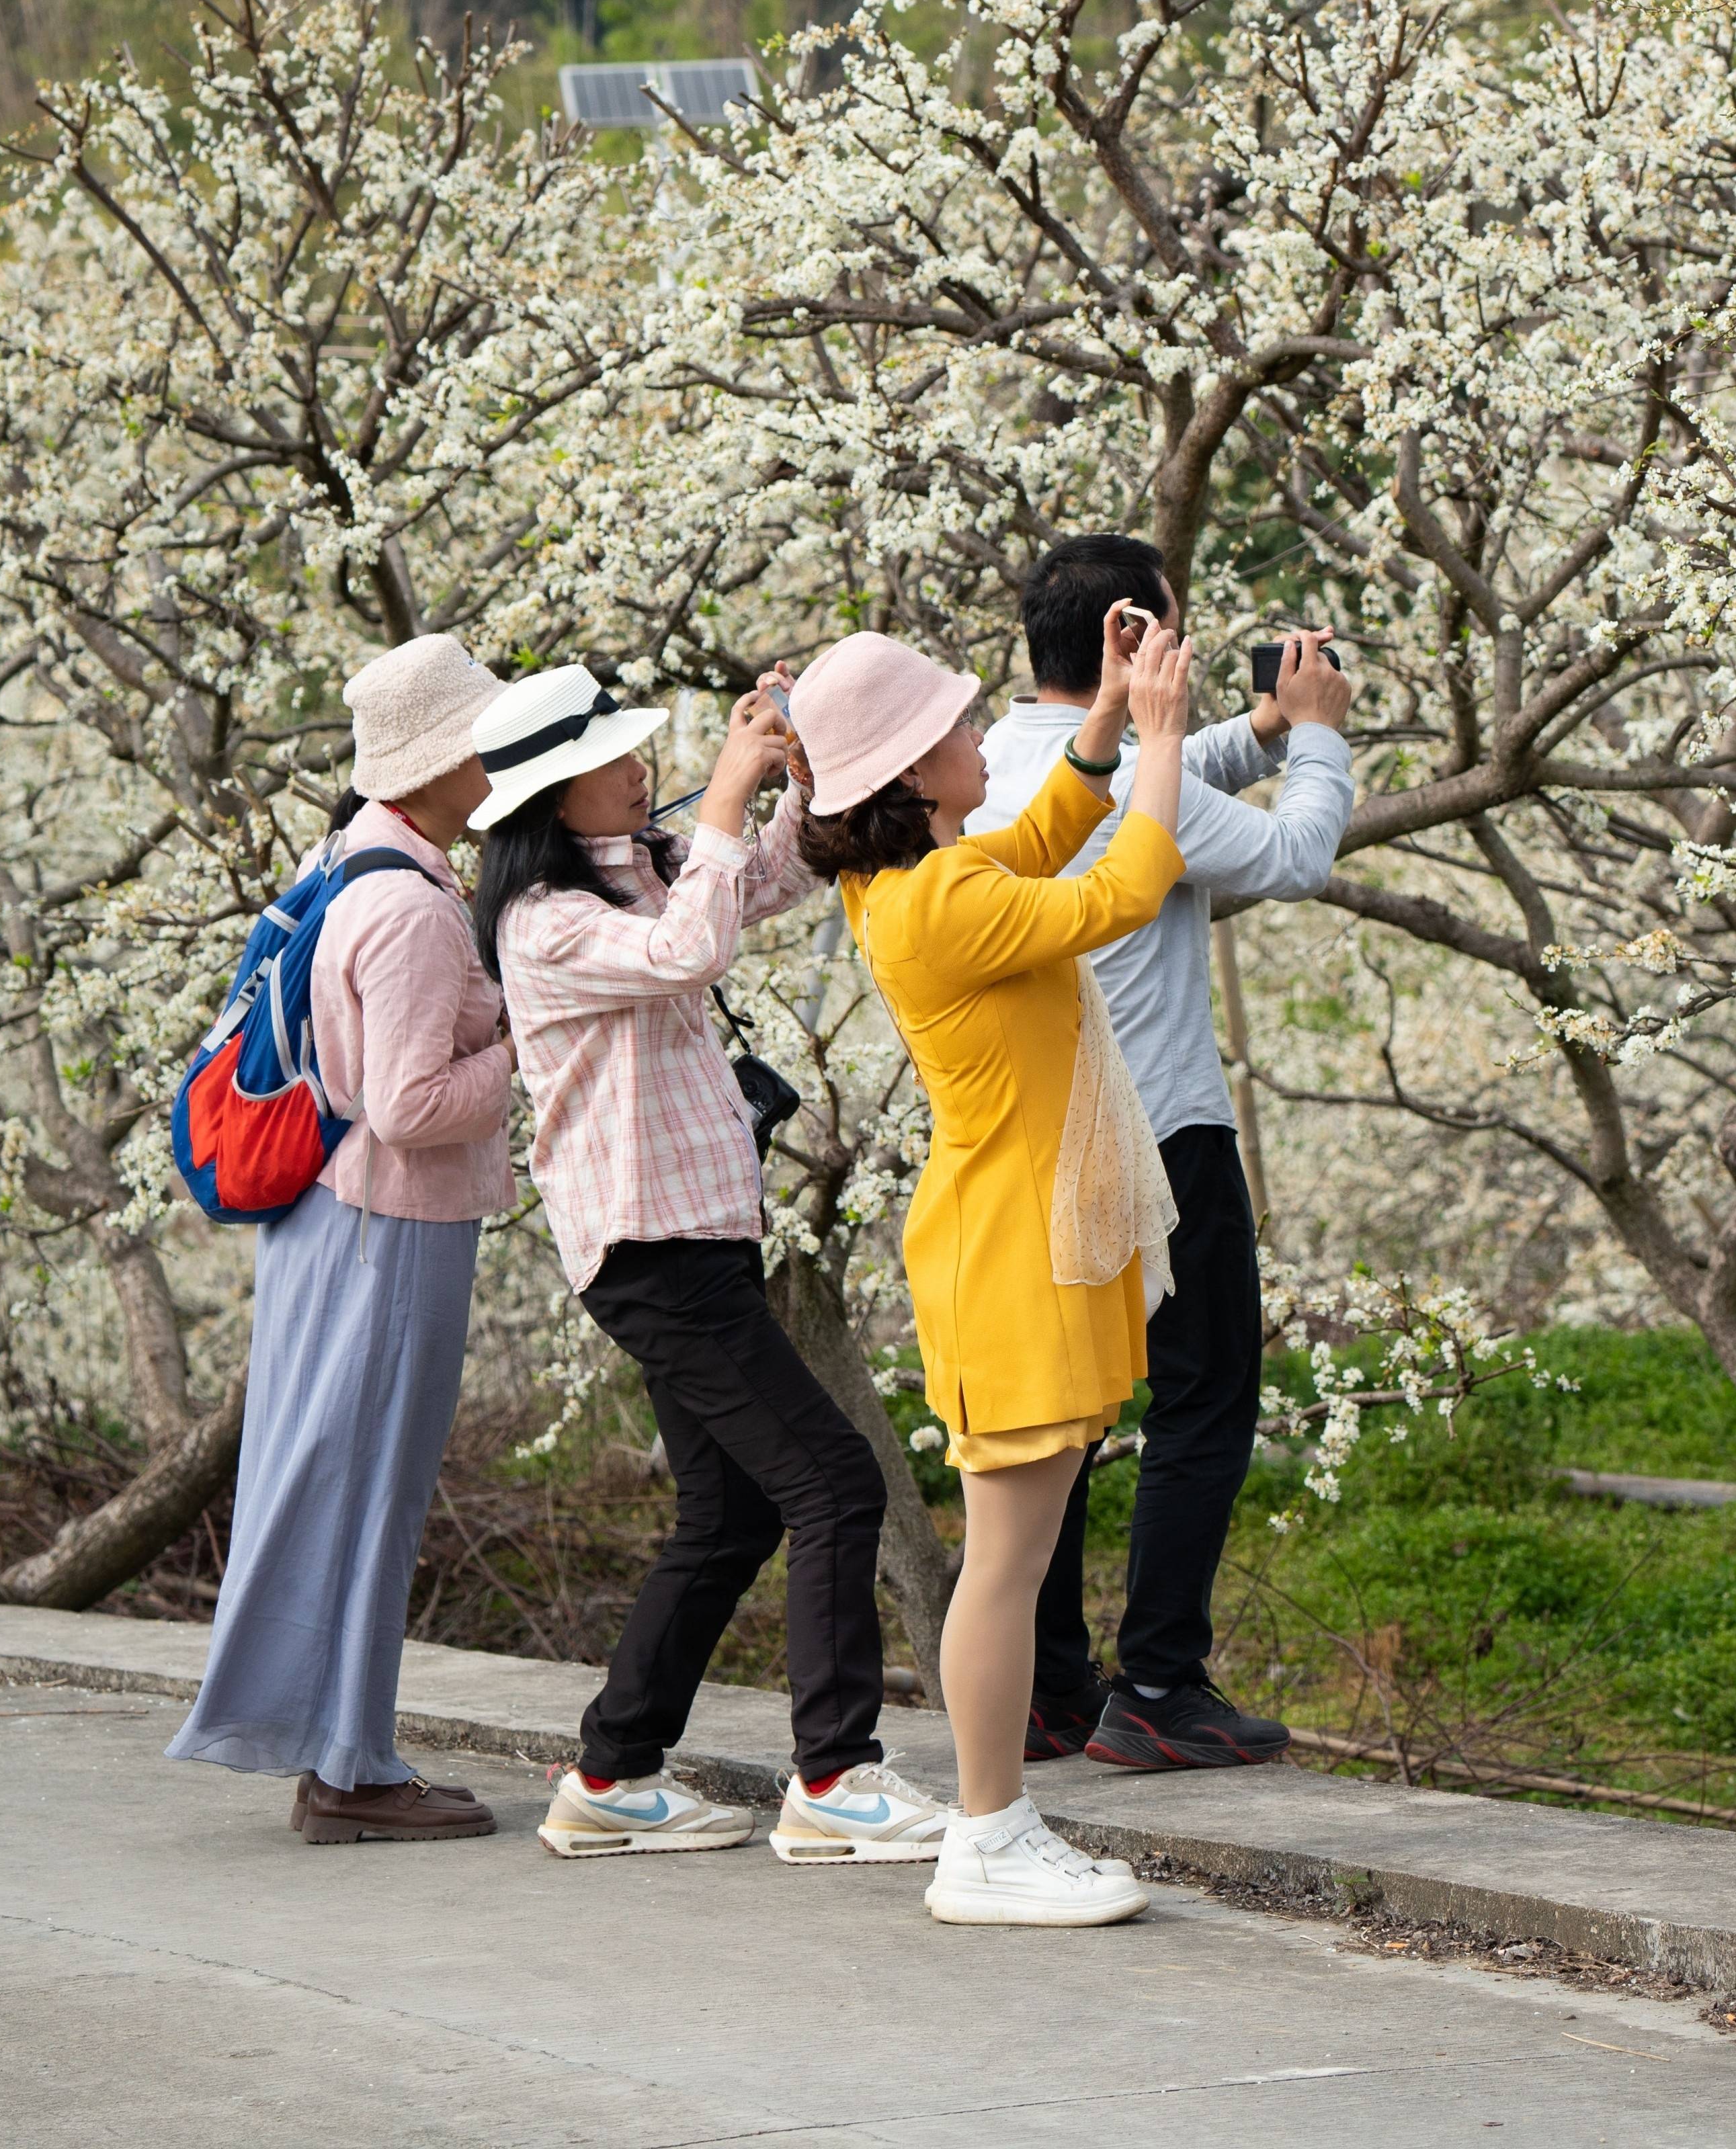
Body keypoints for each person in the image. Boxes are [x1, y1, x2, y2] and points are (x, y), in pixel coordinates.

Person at [469, 661, 949, 1868]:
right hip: (648, 1247)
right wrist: (728, 794)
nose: (643, 769)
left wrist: (790, 769)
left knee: (729, 1512)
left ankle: (609, 1774)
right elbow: (689, 955)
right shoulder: (544, 925)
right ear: (553, 798)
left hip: (694, 1238)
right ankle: (836, 1777)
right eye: (617, 762)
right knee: (834, 1480)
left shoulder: (643, 870)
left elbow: (769, 882)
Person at [790, 614, 1192, 1929]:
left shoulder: (923, 879)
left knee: (1012, 1553)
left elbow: (1037, 839)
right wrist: (1163, 743)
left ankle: (992, 1824)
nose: (980, 738)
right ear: (909, 773)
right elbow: (1119, 893)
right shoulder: (939, 901)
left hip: (1016, 1234)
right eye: (956, 728)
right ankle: (986, 1830)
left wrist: (1106, 728)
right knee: (1007, 1561)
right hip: (1007, 1247)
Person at [973, 537, 1354, 1771]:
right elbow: (1291, 858)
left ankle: (1045, 1690)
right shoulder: (1147, 784)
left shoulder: (984, 762)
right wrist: (1321, 738)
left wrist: (1253, 721)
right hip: (1162, 1131)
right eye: (1173, 633)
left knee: (1064, 1411)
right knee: (1203, 1396)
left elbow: (1160, 771)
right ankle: (1159, 1688)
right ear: (1129, 637)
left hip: (1037, 1134)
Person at [169, 633, 518, 1845]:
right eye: (480, 742)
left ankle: (337, 1750)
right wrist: (533, 1046)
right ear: (438, 762)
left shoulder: (345, 859)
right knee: (369, 1485)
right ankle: (352, 1770)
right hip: (390, 1226)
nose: (497, 759)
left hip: (333, 1220)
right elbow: (413, 1104)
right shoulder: (411, 907)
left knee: (328, 1471)